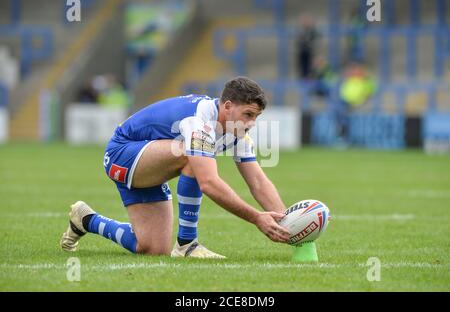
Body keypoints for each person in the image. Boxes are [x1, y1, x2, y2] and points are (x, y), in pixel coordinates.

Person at [60, 76, 290, 258]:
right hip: (122, 154)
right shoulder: (199, 121)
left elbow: (258, 182)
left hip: (148, 162)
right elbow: (208, 183)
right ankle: (187, 245)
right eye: (248, 114)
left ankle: (87, 220)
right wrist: (256, 218)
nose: (251, 123)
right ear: (228, 107)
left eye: (256, 117)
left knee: (152, 248)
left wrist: (289, 223)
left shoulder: (237, 131)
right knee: (190, 155)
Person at [296, 14, 320, 79]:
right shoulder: (301, 31)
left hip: (310, 53)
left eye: (306, 21)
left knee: (312, 70)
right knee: (303, 71)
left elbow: (315, 42)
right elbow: (299, 43)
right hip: (303, 54)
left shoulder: (313, 32)